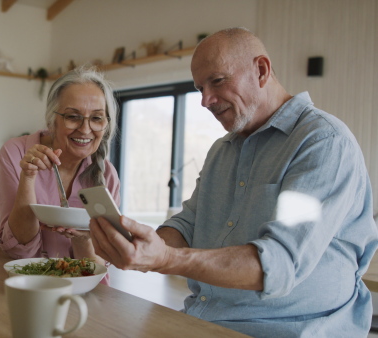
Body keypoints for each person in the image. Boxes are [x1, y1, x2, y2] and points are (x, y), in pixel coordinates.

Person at [89, 27, 378, 337]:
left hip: (289, 330)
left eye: (217, 81)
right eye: (200, 88)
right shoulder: (222, 151)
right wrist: (145, 244)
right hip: (205, 319)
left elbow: (279, 263)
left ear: (262, 70)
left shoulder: (322, 143)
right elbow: (188, 225)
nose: (205, 100)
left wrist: (166, 258)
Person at [0, 66, 120, 269]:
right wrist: (28, 176)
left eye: (96, 118)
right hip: (25, 281)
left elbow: (97, 267)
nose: (85, 129)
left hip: (84, 288)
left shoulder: (107, 175)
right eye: (73, 116)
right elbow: (17, 250)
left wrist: (82, 239)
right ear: (52, 120)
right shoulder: (16, 152)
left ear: (106, 123)